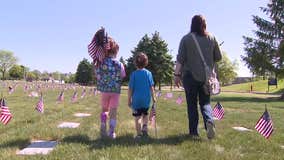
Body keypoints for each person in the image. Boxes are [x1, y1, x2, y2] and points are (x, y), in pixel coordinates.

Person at [174, 15, 222, 139]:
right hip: (207, 78)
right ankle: (209, 120)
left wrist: (177, 75)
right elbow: (218, 57)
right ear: (204, 24)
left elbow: (180, 59)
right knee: (205, 103)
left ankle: (194, 133)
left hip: (190, 76)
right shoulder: (212, 37)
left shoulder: (186, 39)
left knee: (192, 105)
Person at [89, 28, 126, 139]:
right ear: (115, 51)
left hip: (104, 91)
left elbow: (97, 75)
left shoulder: (100, 63)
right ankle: (111, 132)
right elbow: (123, 75)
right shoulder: (119, 64)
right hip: (115, 91)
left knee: (105, 110)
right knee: (113, 111)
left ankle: (103, 126)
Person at [128, 53, 156, 138]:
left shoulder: (133, 74)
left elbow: (130, 89)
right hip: (146, 100)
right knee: (145, 115)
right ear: (146, 62)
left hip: (136, 100)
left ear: (135, 63)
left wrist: (129, 99)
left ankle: (139, 134)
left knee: (137, 118)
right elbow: (151, 87)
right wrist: (154, 97)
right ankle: (145, 128)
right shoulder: (148, 74)